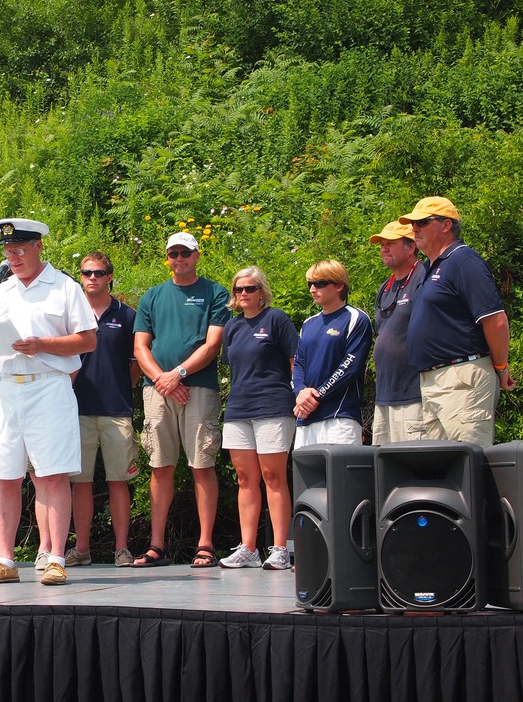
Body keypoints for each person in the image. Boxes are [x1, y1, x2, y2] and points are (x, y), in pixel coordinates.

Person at [0, 218, 97, 586]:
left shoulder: (64, 287)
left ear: (39, 246)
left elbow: (88, 340)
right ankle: (5, 558)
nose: (13, 257)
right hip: (7, 387)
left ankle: (56, 557)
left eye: (20, 250)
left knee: (52, 473)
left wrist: (42, 344)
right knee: (4, 474)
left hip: (48, 386)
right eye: (8, 252)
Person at [132, 232, 230, 569]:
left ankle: (205, 545)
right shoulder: (153, 295)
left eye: (185, 253)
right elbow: (140, 347)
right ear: (167, 257)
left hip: (198, 388)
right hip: (157, 390)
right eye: (173, 254)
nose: (179, 259)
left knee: (202, 464)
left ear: (197, 255)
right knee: (160, 467)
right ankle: (156, 545)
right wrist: (164, 379)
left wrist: (179, 375)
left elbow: (212, 345)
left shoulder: (215, 293)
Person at [399, 196, 515, 447]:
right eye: (412, 223)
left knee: (467, 467)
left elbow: (496, 321)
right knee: (443, 474)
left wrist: (501, 366)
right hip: (432, 381)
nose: (414, 228)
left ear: (446, 225)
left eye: (422, 221)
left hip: (462, 377)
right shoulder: (430, 268)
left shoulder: (463, 260)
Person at [218, 267, 298, 571]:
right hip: (239, 409)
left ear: (261, 291)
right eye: (238, 289)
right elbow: (235, 368)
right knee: (245, 479)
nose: (243, 294)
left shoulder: (276, 318)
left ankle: (279, 548)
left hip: (273, 406)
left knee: (274, 477)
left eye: (250, 289)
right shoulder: (232, 327)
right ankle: (248, 548)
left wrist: (298, 394)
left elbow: (295, 362)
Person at [65, 252, 140, 569]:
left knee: (118, 482)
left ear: (110, 276)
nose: (91, 277)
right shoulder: (70, 312)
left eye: (98, 272)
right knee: (79, 483)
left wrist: (119, 389)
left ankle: (121, 549)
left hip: (116, 410)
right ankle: (82, 548)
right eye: (86, 272)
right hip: (75, 410)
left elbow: (134, 367)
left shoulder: (126, 315)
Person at [292, 260, 373, 449]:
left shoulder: (356, 318)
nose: (312, 289)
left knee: (341, 478)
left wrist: (316, 396)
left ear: (338, 285)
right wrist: (300, 393)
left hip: (340, 417)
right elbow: (298, 365)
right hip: (306, 418)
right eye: (310, 284)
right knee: (308, 479)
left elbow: (350, 366)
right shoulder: (308, 324)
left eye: (319, 283)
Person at [368, 222, 427, 444]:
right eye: (382, 244)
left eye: (390, 244)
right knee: (385, 469)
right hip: (384, 395)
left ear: (411, 247)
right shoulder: (385, 287)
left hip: (413, 393)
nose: (384, 249)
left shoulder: (424, 276)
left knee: (413, 464)